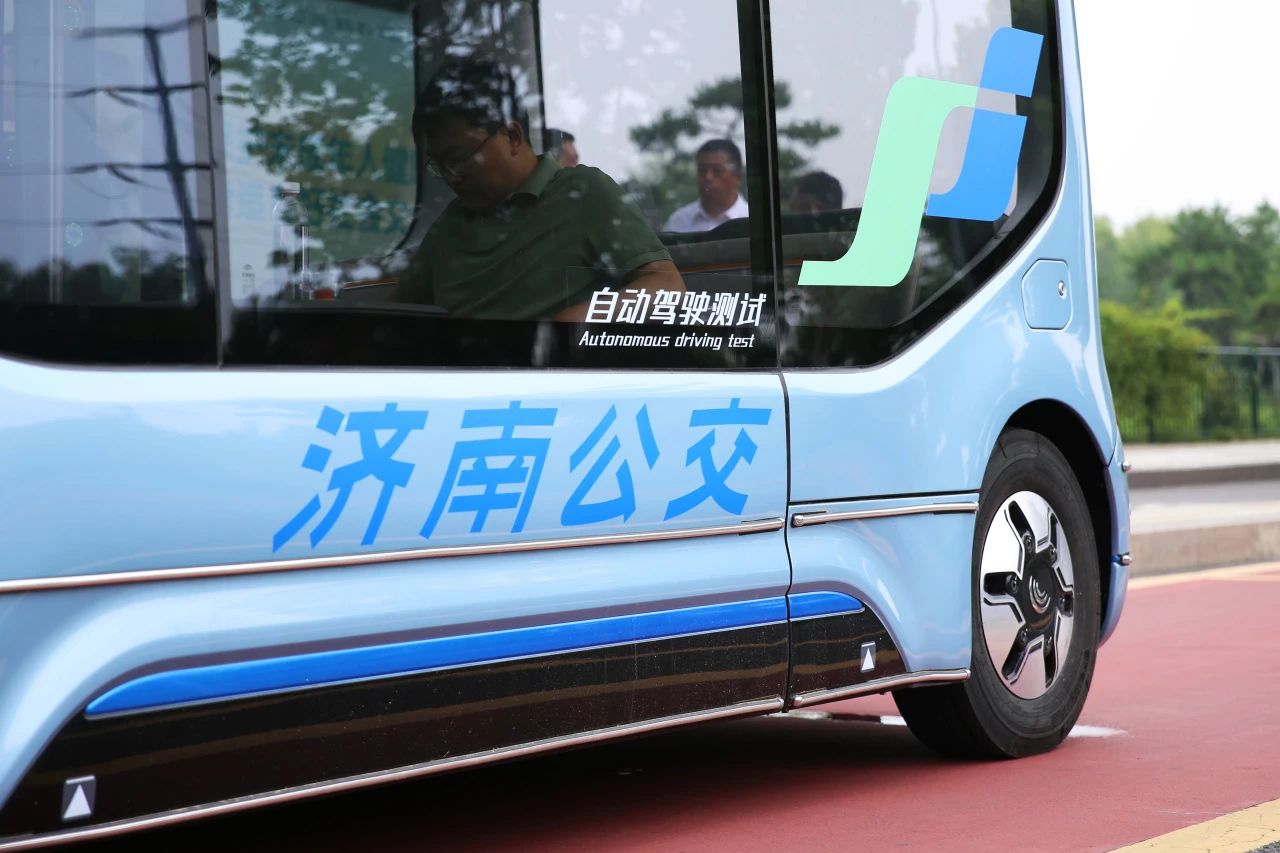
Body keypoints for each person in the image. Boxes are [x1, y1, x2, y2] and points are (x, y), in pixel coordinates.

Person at [400, 59, 682, 320]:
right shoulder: (450, 225)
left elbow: (667, 287)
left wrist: (584, 318)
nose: (451, 177)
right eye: (439, 166)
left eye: (459, 159)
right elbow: (398, 311)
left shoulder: (582, 193)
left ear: (512, 136)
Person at [663, 139, 749, 233]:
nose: (708, 177)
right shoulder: (678, 222)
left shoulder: (750, 219)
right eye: (702, 170)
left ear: (738, 177)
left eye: (717, 170)